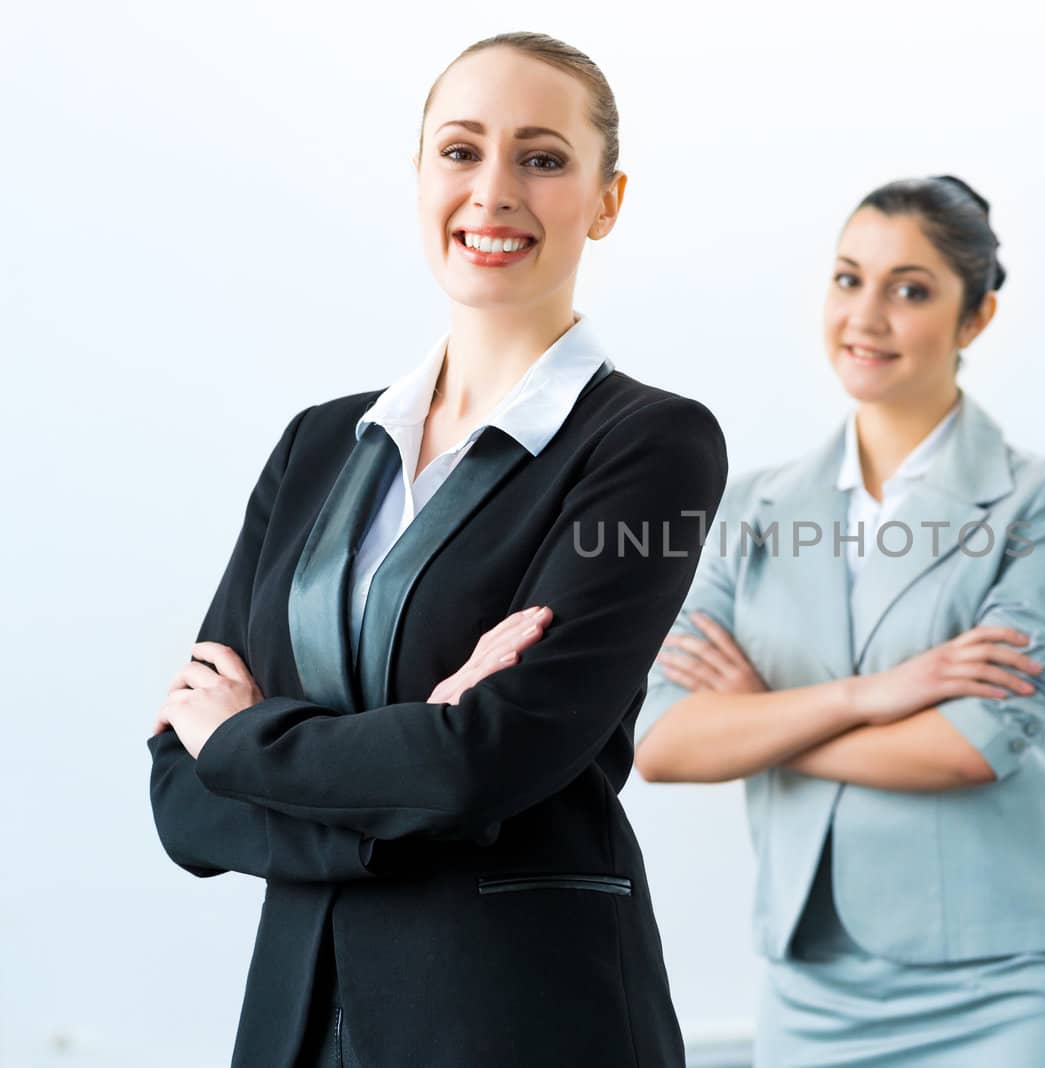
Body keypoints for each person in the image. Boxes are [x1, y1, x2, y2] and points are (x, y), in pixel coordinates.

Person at [146, 32, 727, 1068]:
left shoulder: (654, 445)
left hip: (519, 1020)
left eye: (542, 159)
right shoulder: (319, 444)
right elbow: (180, 797)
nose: (493, 190)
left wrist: (251, 744)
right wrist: (414, 752)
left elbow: (488, 761)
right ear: (420, 175)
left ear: (605, 200)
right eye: (460, 151)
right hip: (293, 1021)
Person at [632, 177, 1045, 1066]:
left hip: (1008, 989)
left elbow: (972, 747)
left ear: (976, 320)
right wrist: (874, 695)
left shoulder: (1044, 502)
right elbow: (664, 742)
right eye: (849, 279)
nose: (868, 314)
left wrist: (766, 717)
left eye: (912, 288)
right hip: (811, 992)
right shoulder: (751, 508)